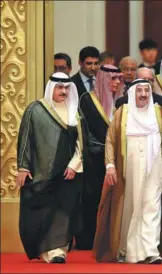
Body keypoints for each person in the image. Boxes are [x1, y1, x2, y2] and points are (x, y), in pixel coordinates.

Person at [92, 80, 162, 264]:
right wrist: (110, 165)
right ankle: (126, 249)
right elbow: (110, 140)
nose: (143, 94)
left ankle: (150, 250)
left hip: (154, 166)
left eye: (146, 90)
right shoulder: (123, 113)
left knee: (152, 205)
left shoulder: (158, 112)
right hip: (129, 167)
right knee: (130, 206)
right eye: (139, 91)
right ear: (132, 92)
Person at [17, 72, 87, 263]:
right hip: (41, 171)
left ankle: (57, 250)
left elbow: (82, 143)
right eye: (59, 87)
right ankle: (43, 250)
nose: (63, 91)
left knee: (64, 209)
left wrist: (74, 165)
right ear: (51, 88)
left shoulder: (75, 111)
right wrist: (23, 167)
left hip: (69, 172)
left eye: (66, 88)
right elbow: (25, 140)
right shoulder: (35, 109)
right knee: (42, 212)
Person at [76, 65, 123, 250]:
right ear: (103, 79)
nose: (117, 82)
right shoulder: (87, 100)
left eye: (118, 79)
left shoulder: (122, 101)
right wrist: (106, 151)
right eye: (113, 79)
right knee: (93, 199)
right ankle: (89, 240)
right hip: (95, 161)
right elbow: (85, 133)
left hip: (120, 160)